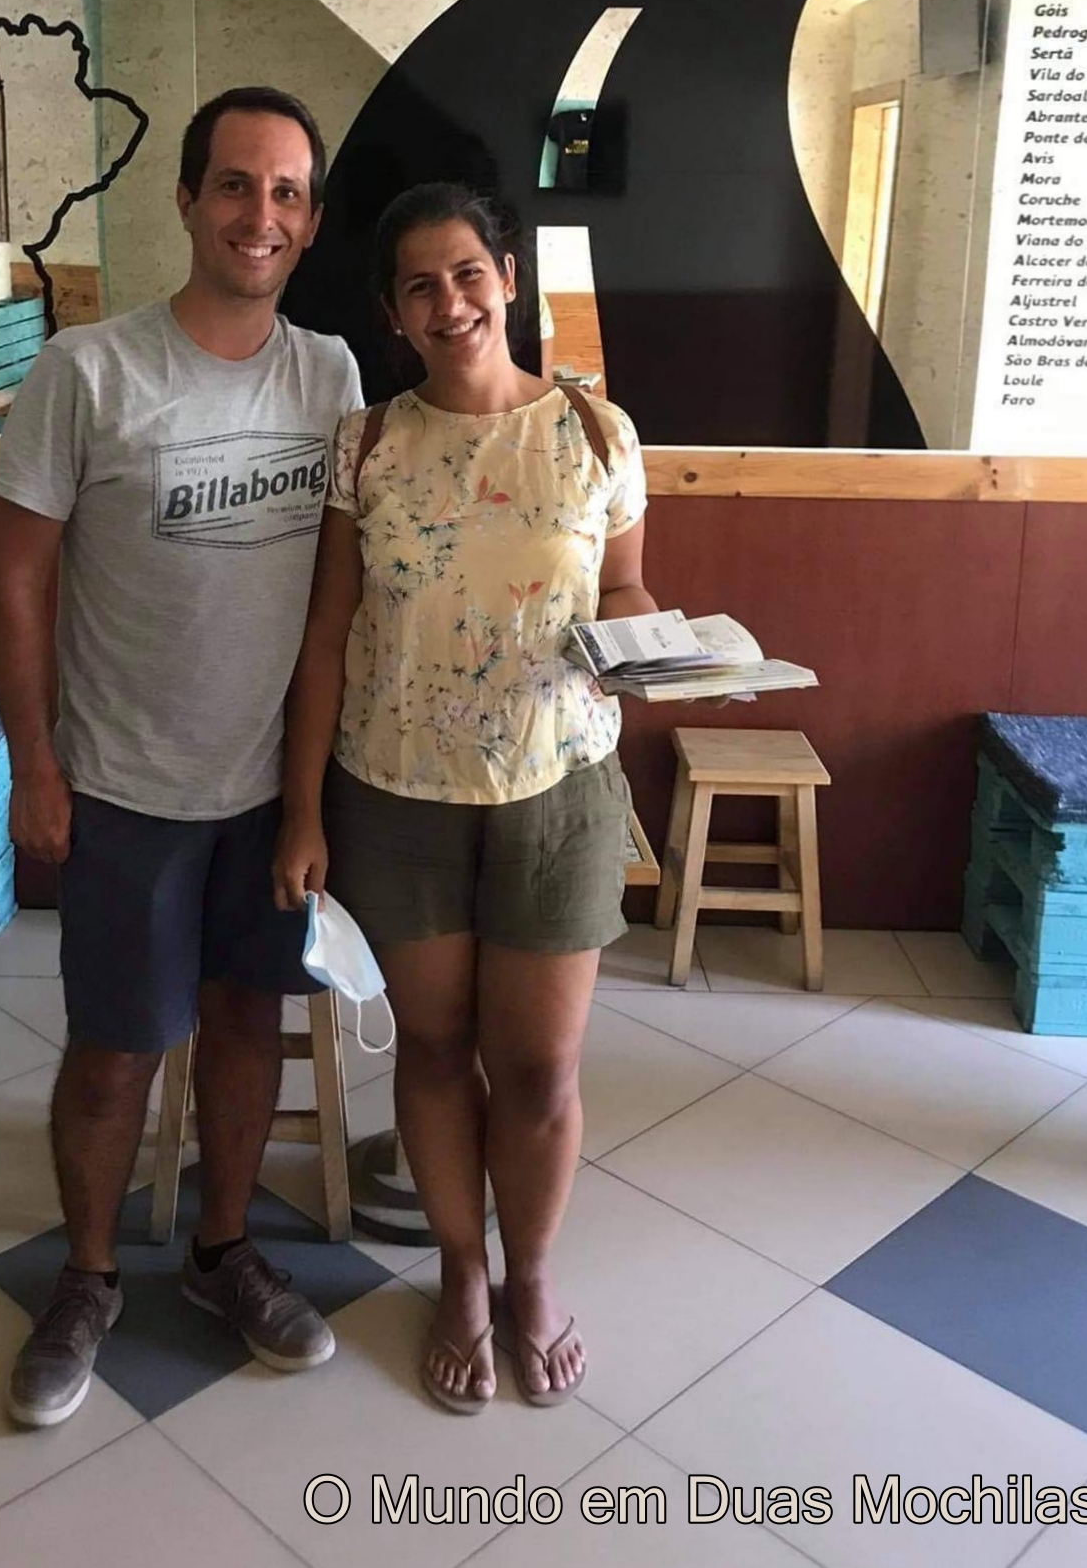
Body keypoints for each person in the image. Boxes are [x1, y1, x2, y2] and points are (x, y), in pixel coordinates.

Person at [0, 85, 362, 1428]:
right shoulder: (87, 371)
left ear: (308, 219)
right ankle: (85, 1276)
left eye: (284, 191)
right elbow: (13, 579)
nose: (258, 214)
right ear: (188, 198)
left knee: (247, 1026)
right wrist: (33, 763)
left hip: (266, 791)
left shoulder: (329, 375)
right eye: (234, 184)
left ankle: (221, 1248)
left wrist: (308, 795)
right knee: (112, 1052)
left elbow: (330, 604)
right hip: (122, 783)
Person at [274, 182, 655, 1414]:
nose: (449, 303)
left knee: (538, 1067)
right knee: (435, 1049)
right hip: (395, 792)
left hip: (558, 788)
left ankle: (529, 1274)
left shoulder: (595, 430)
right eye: (419, 286)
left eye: (466, 274)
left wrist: (663, 646)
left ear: (506, 278)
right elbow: (327, 632)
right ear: (392, 312)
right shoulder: (366, 444)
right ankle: (459, 1269)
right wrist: (301, 810)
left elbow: (624, 590)